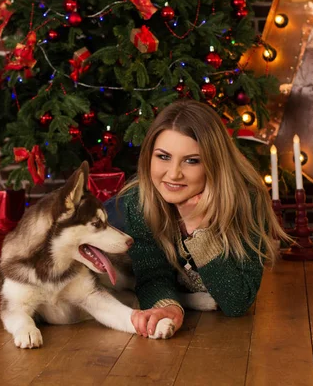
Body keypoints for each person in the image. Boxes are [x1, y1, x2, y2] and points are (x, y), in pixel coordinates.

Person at [111, 100, 289, 338]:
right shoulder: (138, 201)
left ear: (213, 164)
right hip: (111, 221)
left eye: (192, 160)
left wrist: (197, 228)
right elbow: (151, 275)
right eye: (163, 157)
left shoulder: (247, 200)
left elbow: (237, 303)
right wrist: (169, 306)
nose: (173, 173)